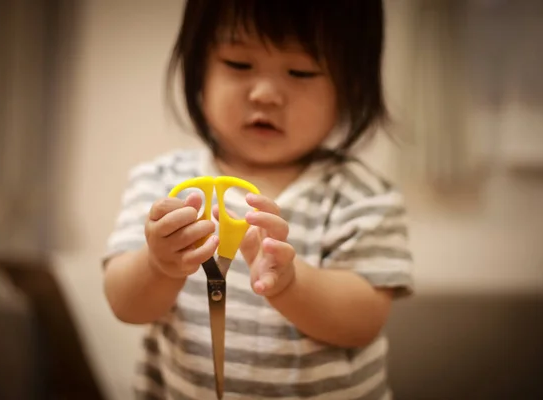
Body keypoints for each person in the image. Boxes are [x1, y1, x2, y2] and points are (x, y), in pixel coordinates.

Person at [102, 1, 414, 399]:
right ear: (200, 68)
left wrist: (290, 283)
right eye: (237, 64)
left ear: (351, 86)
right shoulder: (164, 183)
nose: (265, 94)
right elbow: (125, 304)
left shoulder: (364, 197)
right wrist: (159, 264)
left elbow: (363, 322)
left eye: (301, 71)